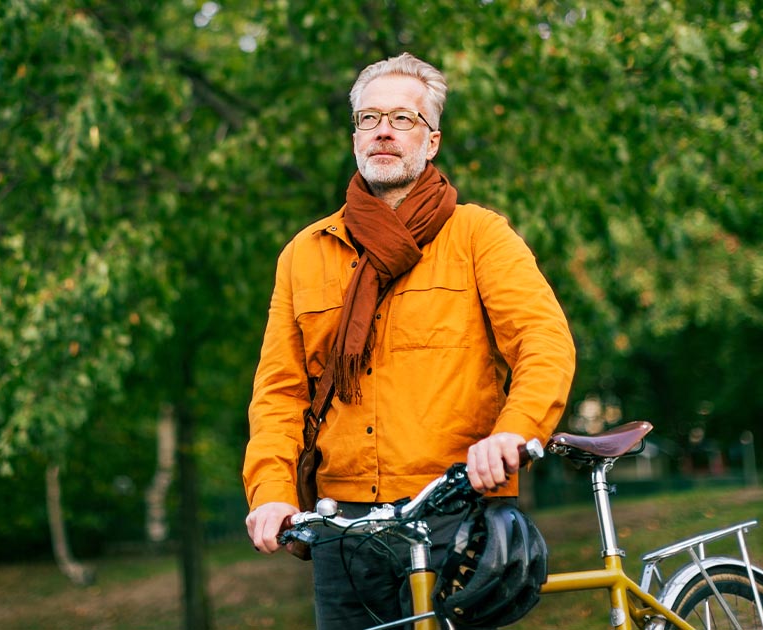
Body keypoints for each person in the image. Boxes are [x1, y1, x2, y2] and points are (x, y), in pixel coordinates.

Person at [242, 52, 575, 628]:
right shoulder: (304, 253)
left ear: (433, 140)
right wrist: (271, 491)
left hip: (454, 509)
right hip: (342, 527)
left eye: (403, 119)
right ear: (355, 137)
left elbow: (544, 342)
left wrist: (512, 435)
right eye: (370, 119)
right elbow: (279, 392)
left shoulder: (478, 235)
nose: (385, 132)